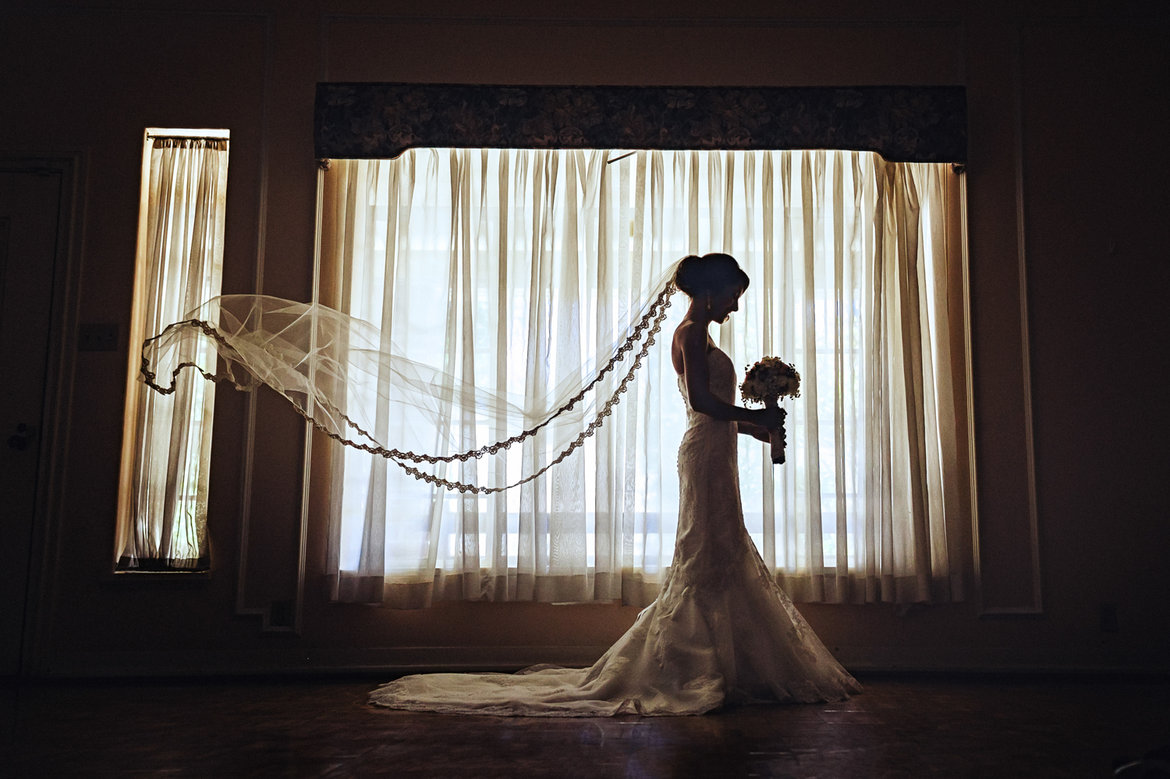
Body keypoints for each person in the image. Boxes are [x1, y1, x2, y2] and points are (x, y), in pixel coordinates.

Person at [368, 253, 860, 716]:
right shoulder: (689, 333)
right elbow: (703, 405)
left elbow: (718, 415)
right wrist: (753, 414)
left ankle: (730, 666)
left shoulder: (702, 336)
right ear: (712, 292)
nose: (736, 305)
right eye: (734, 294)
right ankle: (695, 666)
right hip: (704, 454)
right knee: (706, 550)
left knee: (721, 547)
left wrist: (760, 426)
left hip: (716, 452)